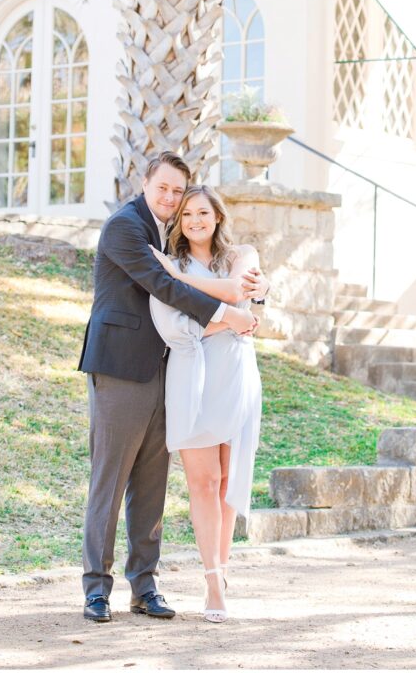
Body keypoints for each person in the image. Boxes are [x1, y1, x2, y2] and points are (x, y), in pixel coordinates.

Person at [78, 152, 269, 623]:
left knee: (151, 485)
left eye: (177, 191)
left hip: (167, 370)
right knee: (111, 479)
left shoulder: (166, 231)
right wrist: (232, 315)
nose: (169, 197)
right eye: (162, 188)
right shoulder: (125, 226)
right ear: (146, 183)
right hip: (122, 367)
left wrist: (255, 291)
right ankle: (96, 589)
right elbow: (165, 286)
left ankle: (144, 586)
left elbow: (220, 270)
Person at [149, 185, 263, 623]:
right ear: (178, 222)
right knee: (203, 481)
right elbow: (173, 329)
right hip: (191, 379)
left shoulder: (241, 255)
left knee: (227, 482)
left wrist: (180, 283)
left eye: (203, 212)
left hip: (235, 376)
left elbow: (238, 291)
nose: (195, 220)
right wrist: (230, 321)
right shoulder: (166, 264)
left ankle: (222, 568)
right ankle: (213, 582)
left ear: (217, 216)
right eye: (187, 214)